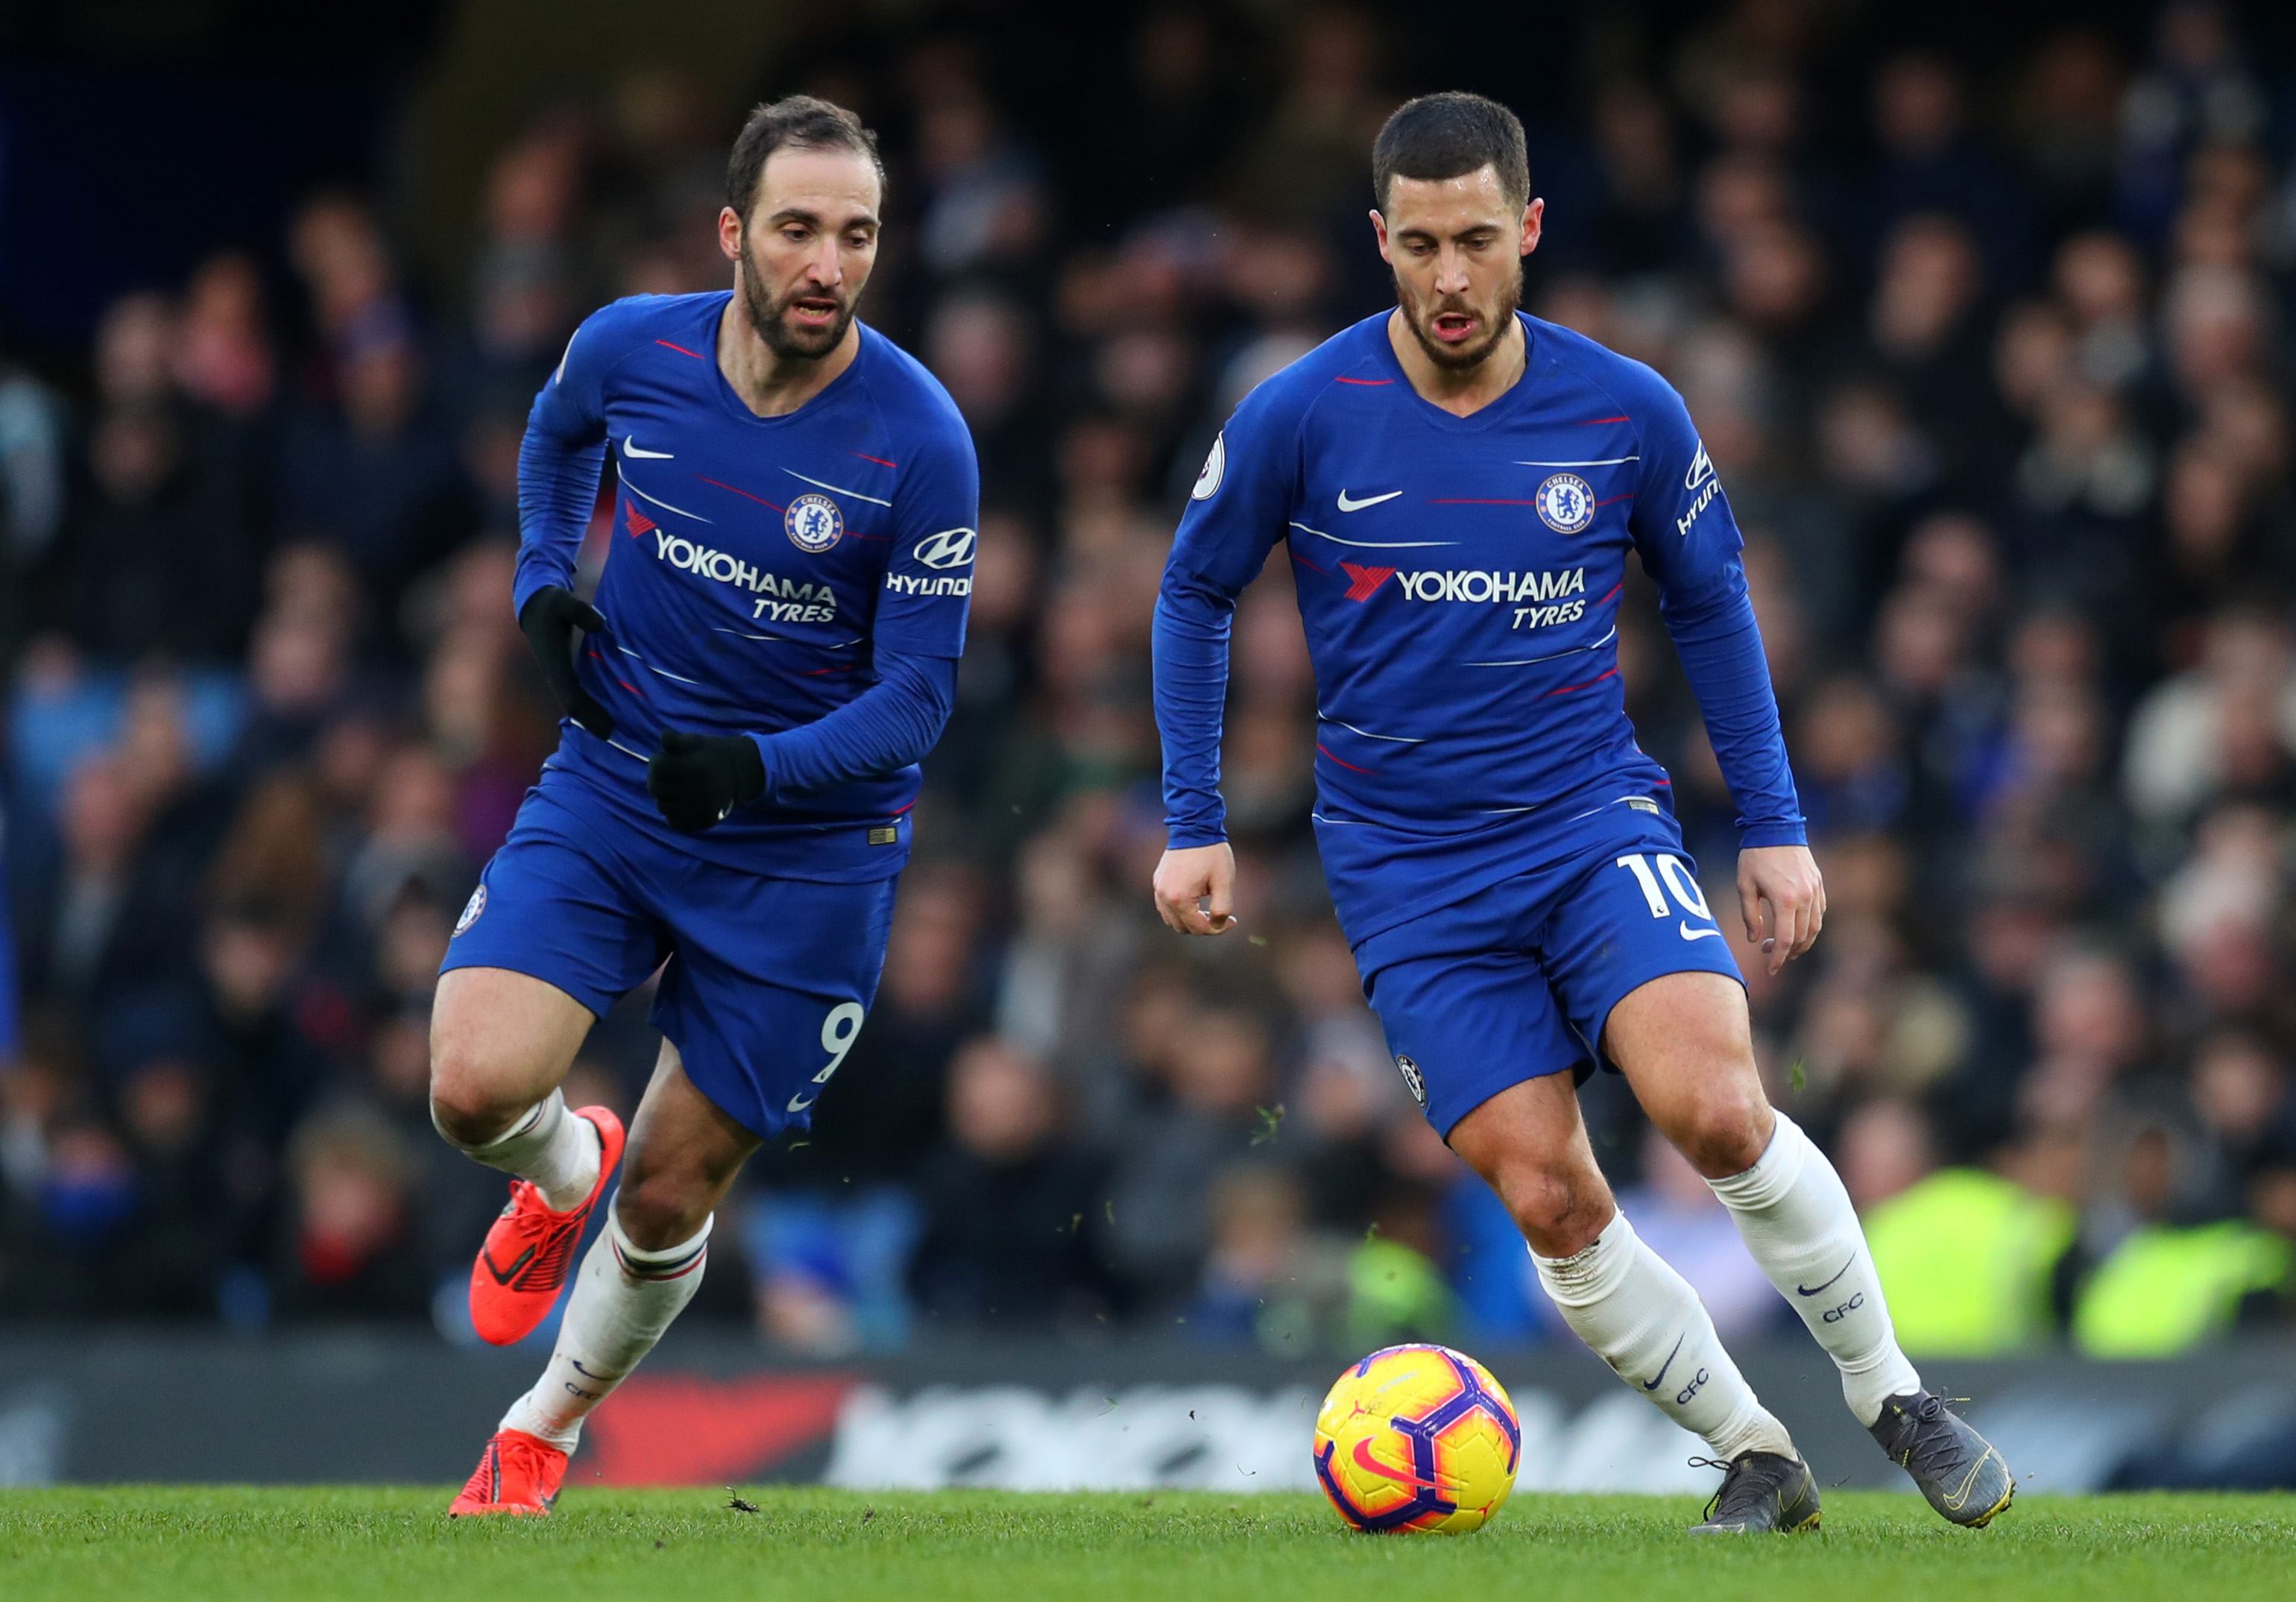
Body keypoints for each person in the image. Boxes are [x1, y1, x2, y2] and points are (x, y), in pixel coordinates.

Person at [1150, 92, 2012, 1536]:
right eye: (1418, 244)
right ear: (1379, 239)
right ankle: (1752, 1450)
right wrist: (1193, 813)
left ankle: (1890, 1398)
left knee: (1719, 1109)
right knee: (1549, 1195)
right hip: (1405, 872)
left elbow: (1713, 605)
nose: (1447, 277)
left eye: (1476, 239)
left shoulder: (1622, 408)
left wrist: (1777, 825)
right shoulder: (1301, 411)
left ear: (1529, 228)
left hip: (1584, 822)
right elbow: (1189, 590)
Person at [427, 95, 977, 1516]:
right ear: (735, 232)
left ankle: (542, 1428)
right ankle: (561, 1167)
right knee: (473, 1085)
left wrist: (759, 766)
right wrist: (545, 582)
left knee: (672, 1199)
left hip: (804, 853)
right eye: (798, 229)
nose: (827, 264)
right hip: (618, 785)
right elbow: (554, 445)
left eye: (856, 235)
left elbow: (919, 700)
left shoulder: (921, 440)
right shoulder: (631, 348)